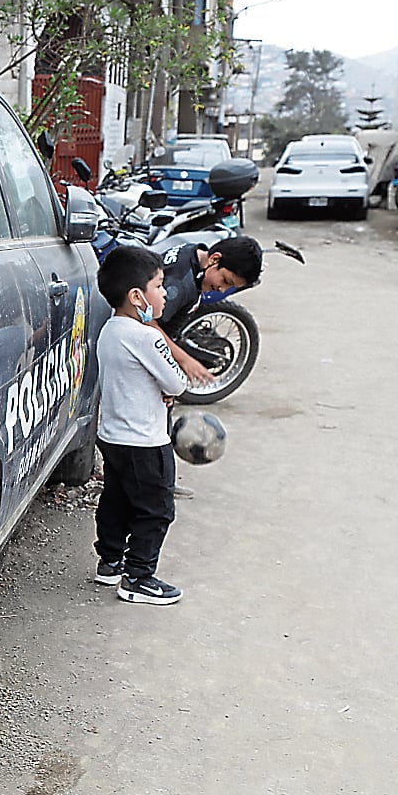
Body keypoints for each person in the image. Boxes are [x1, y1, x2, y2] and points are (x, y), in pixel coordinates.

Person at [93, 245, 190, 605]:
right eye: (159, 286)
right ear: (138, 296)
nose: (164, 293)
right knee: (155, 508)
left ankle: (110, 561)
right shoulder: (146, 335)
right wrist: (168, 389)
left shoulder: (110, 331)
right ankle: (138, 576)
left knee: (117, 498)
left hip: (113, 435)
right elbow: (176, 383)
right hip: (145, 441)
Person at [155, 237, 263, 383]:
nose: (222, 289)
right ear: (214, 259)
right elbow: (144, 323)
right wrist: (183, 359)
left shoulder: (192, 251)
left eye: (230, 287)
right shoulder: (179, 284)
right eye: (225, 280)